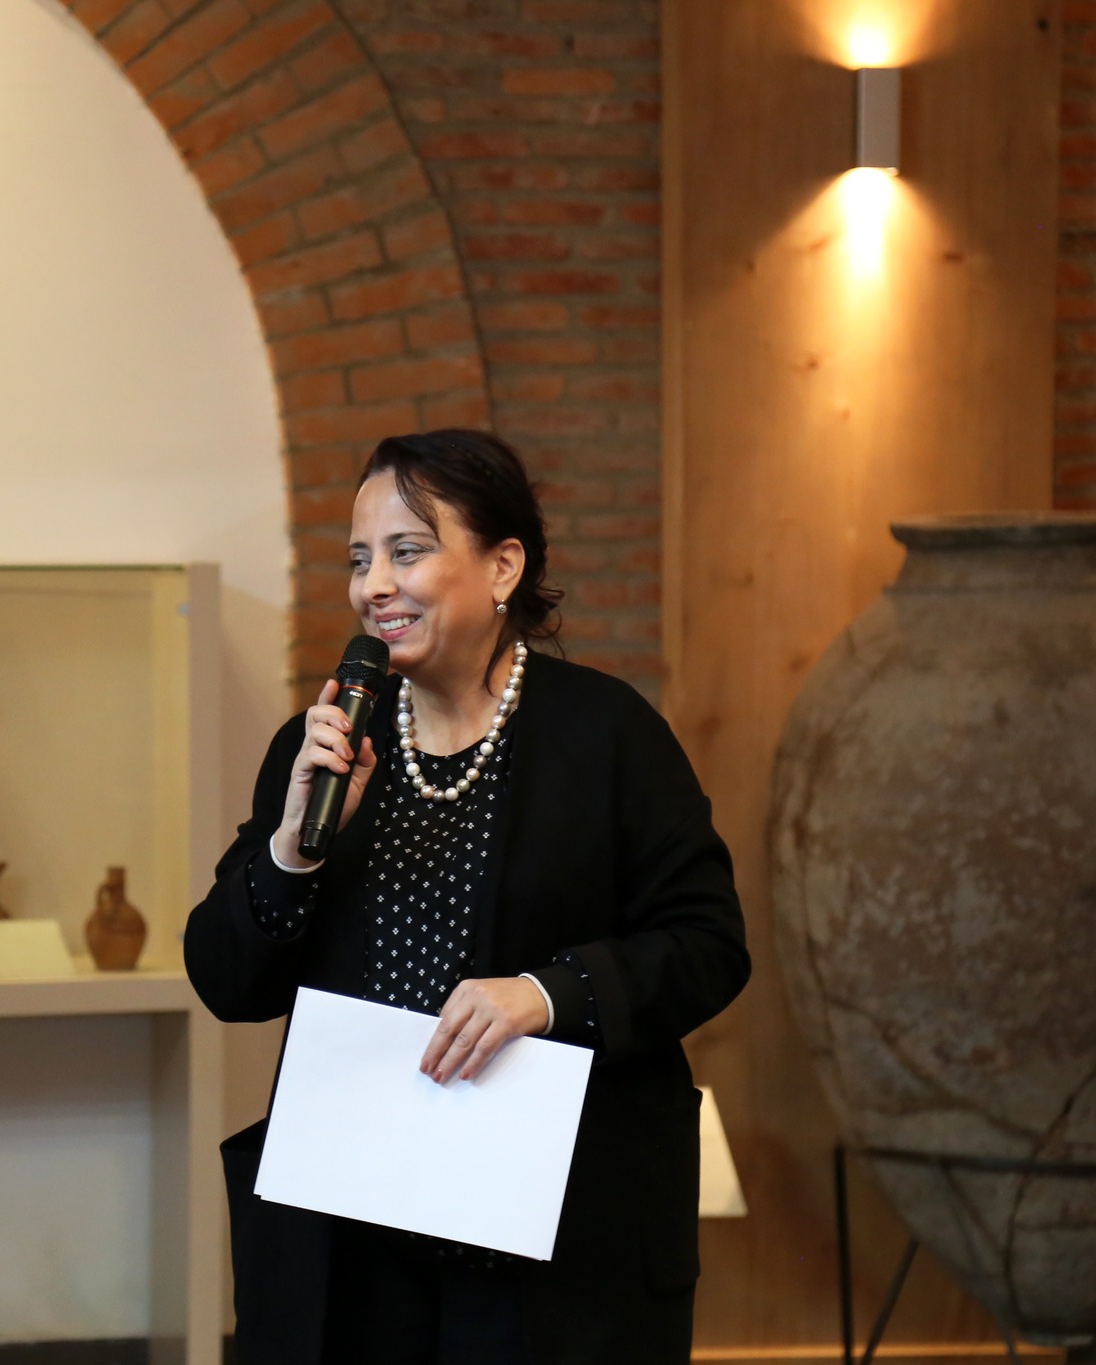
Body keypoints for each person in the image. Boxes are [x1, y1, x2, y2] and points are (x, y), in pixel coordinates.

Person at [185, 429, 751, 1365]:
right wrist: (289, 848)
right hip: (355, 1236)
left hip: (552, 1244)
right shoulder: (324, 746)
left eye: (406, 551)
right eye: (359, 559)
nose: (374, 585)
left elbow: (707, 942)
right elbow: (224, 979)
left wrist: (546, 993)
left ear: (502, 566)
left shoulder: (606, 733)